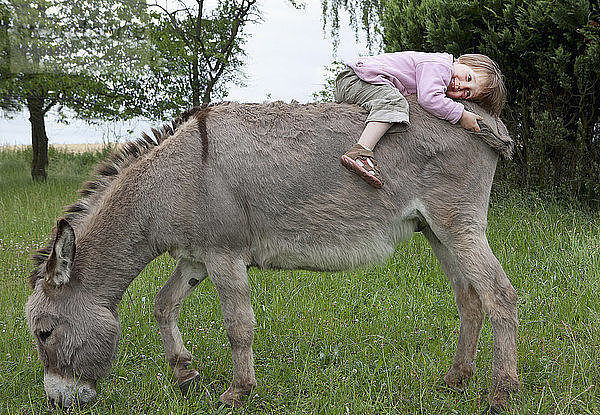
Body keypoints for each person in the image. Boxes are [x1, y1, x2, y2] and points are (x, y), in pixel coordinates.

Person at [336, 51, 506, 188]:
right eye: (468, 78)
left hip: (365, 81)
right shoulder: (439, 66)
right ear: (462, 61)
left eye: (467, 93)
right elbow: (429, 99)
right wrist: (461, 114)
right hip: (356, 79)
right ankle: (361, 151)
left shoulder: (441, 70)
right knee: (394, 104)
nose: (462, 86)